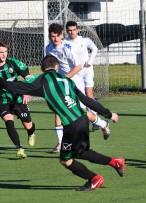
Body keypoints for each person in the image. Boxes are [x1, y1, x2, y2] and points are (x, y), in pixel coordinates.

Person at [0, 55, 125, 191]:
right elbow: (86, 100)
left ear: (42, 69)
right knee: (73, 155)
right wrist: (108, 114)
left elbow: (10, 86)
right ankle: (113, 164)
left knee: (71, 156)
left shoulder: (41, 80)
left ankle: (96, 177)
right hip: (81, 120)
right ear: (57, 67)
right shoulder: (67, 80)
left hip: (72, 124)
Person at [46, 23, 109, 153]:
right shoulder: (48, 49)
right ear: (50, 36)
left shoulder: (67, 48)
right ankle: (60, 143)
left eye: (58, 36)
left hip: (75, 81)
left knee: (81, 111)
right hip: (61, 83)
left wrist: (65, 78)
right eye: (53, 37)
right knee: (58, 111)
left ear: (61, 35)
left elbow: (78, 67)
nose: (55, 39)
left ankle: (103, 124)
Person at [0, 41, 36, 159]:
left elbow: (28, 77)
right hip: (3, 101)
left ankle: (31, 134)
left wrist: (27, 92)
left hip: (18, 98)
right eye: (0, 52)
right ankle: (19, 148)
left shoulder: (13, 63)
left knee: (28, 126)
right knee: (9, 123)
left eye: (5, 52)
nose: (3, 55)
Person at [65, 21, 101, 132]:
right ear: (67, 31)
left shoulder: (84, 40)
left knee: (89, 94)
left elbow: (95, 48)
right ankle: (86, 118)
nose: (72, 32)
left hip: (87, 70)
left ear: (77, 30)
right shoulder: (65, 42)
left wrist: (90, 61)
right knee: (81, 96)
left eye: (74, 29)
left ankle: (96, 120)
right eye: (69, 30)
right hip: (76, 72)